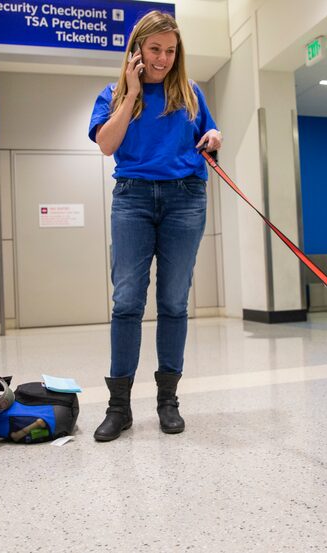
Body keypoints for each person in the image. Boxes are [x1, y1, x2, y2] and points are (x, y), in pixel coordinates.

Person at [88, 10, 222, 441]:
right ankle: (119, 407)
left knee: (173, 301)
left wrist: (214, 137)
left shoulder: (190, 93)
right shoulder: (112, 94)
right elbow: (107, 144)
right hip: (134, 199)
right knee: (127, 300)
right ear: (137, 51)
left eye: (170, 50)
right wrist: (130, 92)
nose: (163, 59)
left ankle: (168, 401)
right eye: (154, 49)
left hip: (185, 199)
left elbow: (209, 132)